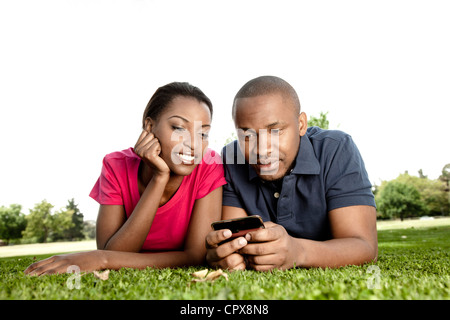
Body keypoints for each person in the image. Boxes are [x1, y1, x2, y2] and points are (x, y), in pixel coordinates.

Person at [25, 82, 226, 275]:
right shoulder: (116, 165)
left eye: (203, 133)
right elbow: (111, 248)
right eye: (179, 128)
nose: (194, 144)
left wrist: (103, 259)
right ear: (149, 126)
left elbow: (195, 256)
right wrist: (159, 177)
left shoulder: (209, 166)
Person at [205, 76, 377, 271]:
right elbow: (235, 244)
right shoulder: (231, 157)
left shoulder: (336, 149)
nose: (261, 150)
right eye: (247, 135)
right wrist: (227, 254)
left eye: (275, 131)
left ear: (301, 125)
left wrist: (298, 252)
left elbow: (364, 247)